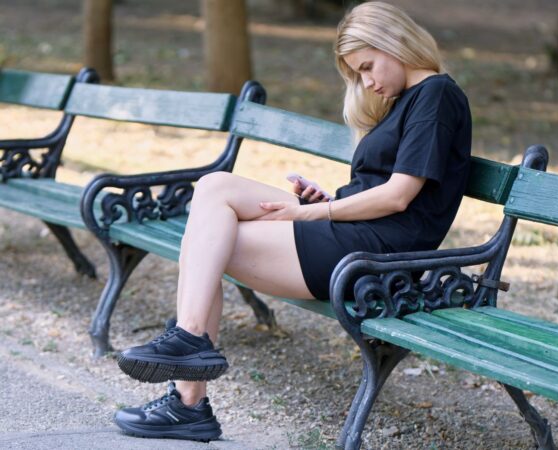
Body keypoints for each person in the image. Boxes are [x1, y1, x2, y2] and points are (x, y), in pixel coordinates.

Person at [113, 1, 472, 442]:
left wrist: (311, 211)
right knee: (213, 189)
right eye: (358, 74)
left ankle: (187, 395)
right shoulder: (407, 101)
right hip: (355, 230)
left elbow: (398, 196)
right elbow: (379, 188)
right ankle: (189, 349)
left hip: (377, 255)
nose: (367, 82)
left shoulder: (436, 96)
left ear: (394, 42)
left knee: (209, 241)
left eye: (366, 67)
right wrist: (329, 200)